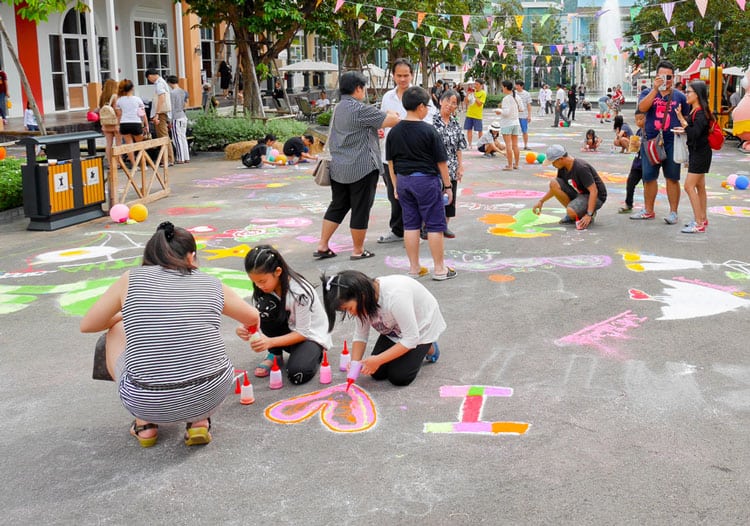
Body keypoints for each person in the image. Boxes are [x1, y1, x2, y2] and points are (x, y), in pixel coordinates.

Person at [79, 221, 260, 448]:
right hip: (211, 392)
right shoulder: (211, 283)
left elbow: (88, 324)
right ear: (191, 256)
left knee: (115, 330)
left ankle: (145, 424)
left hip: (146, 401)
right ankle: (199, 421)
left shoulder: (131, 279)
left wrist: (123, 316)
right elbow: (252, 317)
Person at [314, 71, 399, 260]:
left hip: (338, 167)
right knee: (361, 208)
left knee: (338, 205)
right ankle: (358, 250)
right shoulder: (360, 109)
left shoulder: (338, 108)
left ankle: (322, 245)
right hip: (362, 167)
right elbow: (392, 121)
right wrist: (391, 113)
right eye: (364, 88)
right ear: (358, 88)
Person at [320, 270, 446, 386]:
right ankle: (411, 350)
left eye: (350, 309)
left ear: (361, 294)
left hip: (420, 328)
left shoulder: (395, 296)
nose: (351, 313)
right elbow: (360, 335)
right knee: (376, 372)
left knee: (399, 377)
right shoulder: (362, 299)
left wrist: (378, 360)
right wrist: (354, 364)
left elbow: (411, 339)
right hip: (394, 329)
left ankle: (430, 347)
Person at [386, 86, 455, 281]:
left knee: (411, 225)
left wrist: (396, 186)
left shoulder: (394, 132)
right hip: (425, 181)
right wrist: (448, 186)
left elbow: (391, 163)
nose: (427, 109)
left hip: (404, 182)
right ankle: (440, 269)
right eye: (426, 105)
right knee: (434, 225)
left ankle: (414, 268)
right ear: (419, 107)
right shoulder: (429, 130)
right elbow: (441, 163)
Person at [237, 245, 331, 384]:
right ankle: (275, 354)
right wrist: (245, 328)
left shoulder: (300, 293)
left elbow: (302, 333)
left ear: (278, 271)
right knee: (265, 308)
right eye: (254, 282)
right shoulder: (265, 288)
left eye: (262, 281)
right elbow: (256, 315)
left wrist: (270, 341)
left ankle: (313, 353)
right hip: (288, 329)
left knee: (298, 374)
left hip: (309, 336)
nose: (259, 286)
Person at [377, 59, 434, 245]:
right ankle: (398, 230)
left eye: (406, 75)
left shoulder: (420, 95)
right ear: (393, 75)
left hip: (415, 154)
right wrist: (380, 128)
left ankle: (419, 230)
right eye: (399, 75)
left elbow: (430, 121)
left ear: (412, 75)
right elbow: (382, 120)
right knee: (394, 194)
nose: (402, 79)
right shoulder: (387, 97)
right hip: (391, 154)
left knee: (417, 194)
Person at [631, 59, 690, 224]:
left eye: (669, 77)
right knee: (648, 177)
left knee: (672, 177)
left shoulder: (680, 97)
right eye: (662, 77)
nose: (666, 81)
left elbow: (686, 117)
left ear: (674, 78)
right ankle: (648, 210)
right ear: (656, 77)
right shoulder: (647, 93)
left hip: (673, 140)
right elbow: (642, 109)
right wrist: (655, 89)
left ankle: (673, 212)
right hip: (651, 140)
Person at [532, 144, 607, 230]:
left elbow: (594, 191)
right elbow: (555, 187)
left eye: (553, 162)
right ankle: (576, 213)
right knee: (554, 183)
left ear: (560, 159)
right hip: (581, 194)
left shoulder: (581, 167)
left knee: (571, 211)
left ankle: (587, 212)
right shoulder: (562, 167)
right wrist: (541, 201)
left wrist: (588, 214)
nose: (552, 165)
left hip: (596, 197)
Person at [674, 80, 713, 234]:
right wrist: (682, 126)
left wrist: (682, 122)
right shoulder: (694, 111)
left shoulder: (701, 113)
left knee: (688, 186)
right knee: (700, 186)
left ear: (697, 94)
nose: (686, 94)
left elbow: (695, 134)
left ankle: (698, 223)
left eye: (689, 91)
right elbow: (692, 130)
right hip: (698, 152)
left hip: (700, 153)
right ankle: (702, 218)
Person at [433, 89, 467, 239]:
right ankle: (429, 226)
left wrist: (460, 166)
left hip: (451, 167)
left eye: (454, 103)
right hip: (433, 168)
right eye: (447, 101)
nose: (450, 105)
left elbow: (459, 146)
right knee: (433, 198)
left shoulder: (455, 123)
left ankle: (444, 226)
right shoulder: (431, 121)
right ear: (440, 101)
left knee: (449, 199)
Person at [115, 79, 149, 169]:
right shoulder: (137, 99)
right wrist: (146, 125)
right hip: (136, 123)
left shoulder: (119, 101)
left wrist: (118, 125)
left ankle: (134, 165)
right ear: (132, 88)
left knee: (129, 145)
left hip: (124, 124)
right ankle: (143, 164)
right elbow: (143, 114)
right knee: (140, 145)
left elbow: (119, 115)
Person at [618, 110, 646, 213]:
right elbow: (634, 147)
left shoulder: (651, 131)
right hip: (637, 163)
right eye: (636, 120)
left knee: (647, 185)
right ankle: (628, 204)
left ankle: (648, 207)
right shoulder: (639, 131)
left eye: (641, 119)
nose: (638, 122)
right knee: (630, 183)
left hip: (647, 163)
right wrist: (633, 145)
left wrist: (642, 144)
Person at [145, 68, 174, 165]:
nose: (149, 80)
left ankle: (168, 159)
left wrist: (157, 113)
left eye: (149, 78)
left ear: (150, 76)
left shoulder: (159, 84)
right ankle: (167, 158)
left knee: (162, 136)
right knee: (163, 135)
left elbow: (162, 97)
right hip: (162, 112)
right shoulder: (162, 82)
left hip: (161, 113)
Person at [493, 80, 521, 170]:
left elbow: (506, 112)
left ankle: (510, 165)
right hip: (516, 122)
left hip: (507, 123)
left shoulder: (506, 99)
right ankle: (516, 164)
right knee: (515, 145)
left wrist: (499, 111)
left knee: (508, 145)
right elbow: (521, 108)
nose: (502, 89)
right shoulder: (517, 96)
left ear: (505, 87)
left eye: (502, 87)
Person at [167, 75, 190, 164]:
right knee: (183, 137)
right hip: (183, 115)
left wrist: (170, 120)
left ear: (169, 83)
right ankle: (186, 156)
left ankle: (180, 158)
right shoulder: (183, 92)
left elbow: (171, 107)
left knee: (177, 138)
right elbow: (185, 104)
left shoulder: (172, 93)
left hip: (176, 117)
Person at [97, 79, 120, 167]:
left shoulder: (102, 96)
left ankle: (110, 163)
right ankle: (118, 162)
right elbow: (117, 111)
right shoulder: (115, 96)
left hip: (105, 123)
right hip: (115, 123)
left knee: (108, 144)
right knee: (118, 144)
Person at [463, 78, 486, 148]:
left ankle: (480, 145)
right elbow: (466, 102)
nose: (475, 85)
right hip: (469, 114)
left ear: (481, 85)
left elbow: (480, 104)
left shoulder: (483, 93)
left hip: (478, 115)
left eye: (477, 84)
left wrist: (475, 96)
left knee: (479, 130)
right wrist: (467, 94)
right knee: (469, 129)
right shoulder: (472, 91)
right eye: (475, 84)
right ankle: (469, 144)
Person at [514, 79, 533, 150]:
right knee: (514, 131)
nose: (516, 87)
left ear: (522, 86)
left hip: (523, 115)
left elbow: (529, 105)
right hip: (514, 115)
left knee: (524, 131)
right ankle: (514, 145)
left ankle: (526, 145)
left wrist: (529, 115)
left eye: (518, 85)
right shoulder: (513, 93)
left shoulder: (526, 94)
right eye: (516, 85)